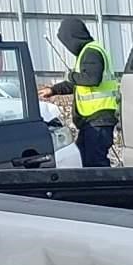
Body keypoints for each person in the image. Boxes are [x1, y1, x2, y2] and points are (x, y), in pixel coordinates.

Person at [50, 16, 119, 167]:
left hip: (99, 118)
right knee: (84, 158)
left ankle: (104, 187)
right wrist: (54, 90)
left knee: (96, 162)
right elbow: (79, 84)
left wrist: (71, 75)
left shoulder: (91, 52)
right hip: (93, 119)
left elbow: (92, 79)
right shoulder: (86, 53)